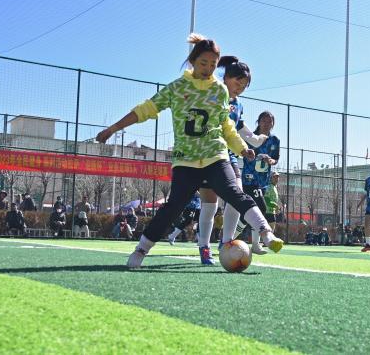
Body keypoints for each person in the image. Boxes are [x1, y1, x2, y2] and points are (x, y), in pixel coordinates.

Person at [96, 34, 283, 269]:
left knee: (234, 193)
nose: (208, 69)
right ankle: (141, 249)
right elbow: (146, 109)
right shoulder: (177, 88)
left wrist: (242, 148)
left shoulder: (220, 90)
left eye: (213, 65)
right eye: (203, 63)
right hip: (186, 160)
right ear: (193, 61)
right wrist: (113, 128)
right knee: (174, 206)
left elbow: (226, 126)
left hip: (215, 156)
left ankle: (265, 232)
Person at [185, 54, 267, 263]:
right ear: (226, 78)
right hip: (207, 154)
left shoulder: (238, 105)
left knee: (236, 196)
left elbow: (239, 128)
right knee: (210, 205)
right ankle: (204, 246)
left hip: (229, 155)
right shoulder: (212, 94)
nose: (240, 88)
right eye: (238, 82)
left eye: (245, 85)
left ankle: (226, 242)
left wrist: (255, 140)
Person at [233, 110, 281, 254]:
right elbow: (240, 151)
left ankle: (229, 239)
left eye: (269, 121)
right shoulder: (250, 137)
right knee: (260, 208)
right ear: (258, 122)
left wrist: (270, 160)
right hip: (249, 179)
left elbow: (275, 159)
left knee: (249, 214)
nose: (267, 123)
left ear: (273, 124)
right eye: (264, 121)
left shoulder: (275, 140)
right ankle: (255, 244)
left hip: (263, 181)